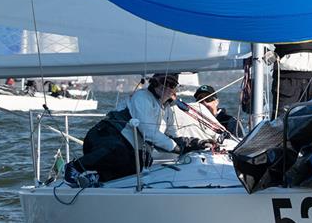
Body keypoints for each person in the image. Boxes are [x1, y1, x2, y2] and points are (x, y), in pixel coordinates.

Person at [64, 73, 211, 186]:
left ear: (175, 89)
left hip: (125, 146)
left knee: (142, 162)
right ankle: (75, 167)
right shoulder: (142, 97)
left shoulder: (167, 110)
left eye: (171, 84)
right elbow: (148, 132)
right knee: (119, 151)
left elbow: (172, 136)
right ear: (154, 83)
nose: (166, 87)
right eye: (161, 82)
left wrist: (194, 144)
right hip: (103, 138)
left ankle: (96, 178)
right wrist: (177, 148)